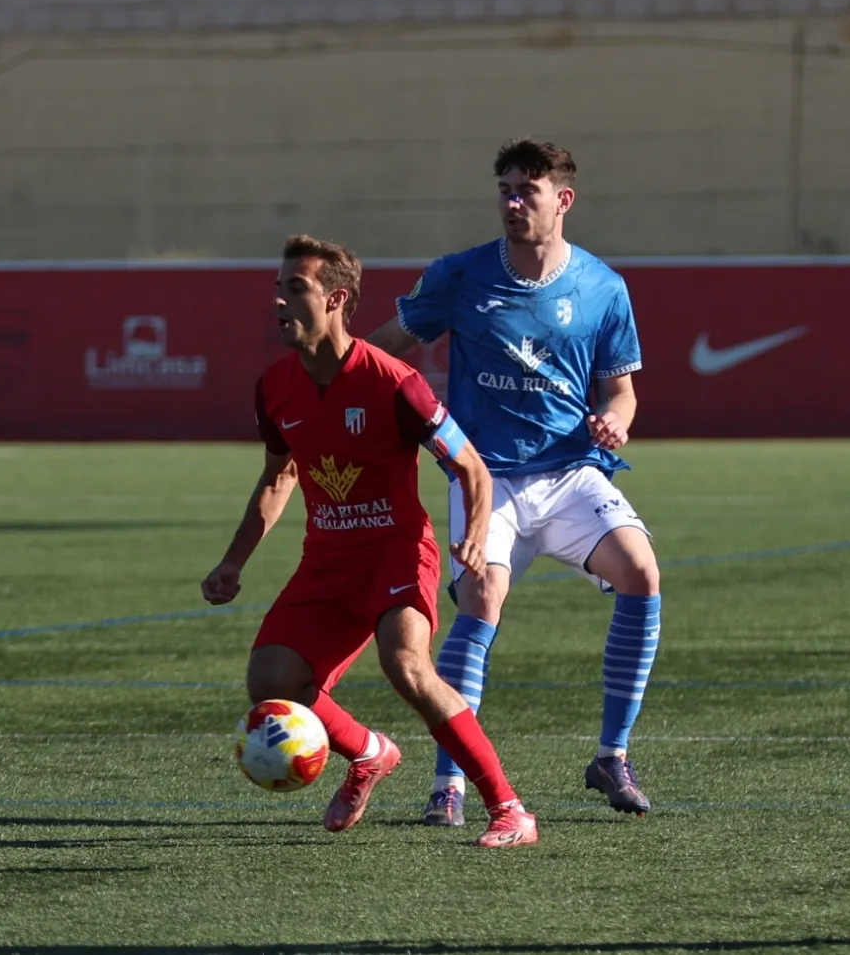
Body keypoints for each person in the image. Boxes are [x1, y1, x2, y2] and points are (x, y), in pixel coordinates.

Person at [201, 235, 538, 848]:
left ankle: (509, 808)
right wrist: (232, 562)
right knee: (271, 681)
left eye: (295, 288)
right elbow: (278, 478)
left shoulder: (394, 382)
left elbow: (472, 468)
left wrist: (476, 537)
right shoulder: (274, 388)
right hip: (326, 562)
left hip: (396, 551)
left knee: (405, 663)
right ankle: (368, 752)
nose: (279, 300)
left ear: (336, 300)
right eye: (278, 288)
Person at [364, 139, 662, 826]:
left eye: (527, 190)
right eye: (505, 189)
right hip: (485, 477)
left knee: (642, 573)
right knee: (482, 599)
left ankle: (612, 756)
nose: (513, 202)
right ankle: (449, 785)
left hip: (571, 474)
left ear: (564, 200)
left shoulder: (603, 287)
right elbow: (387, 348)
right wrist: (337, 382)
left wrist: (616, 422)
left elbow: (621, 392)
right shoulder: (460, 275)